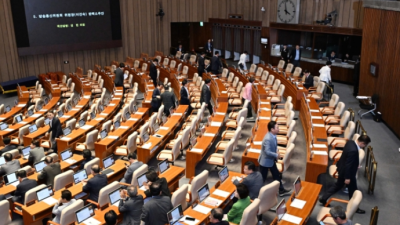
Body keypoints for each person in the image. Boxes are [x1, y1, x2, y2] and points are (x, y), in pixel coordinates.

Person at [319, 135, 371, 214]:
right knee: (352, 190)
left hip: (342, 169)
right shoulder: (353, 150)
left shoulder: (350, 142)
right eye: (365, 145)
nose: (364, 147)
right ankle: (355, 208)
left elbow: (347, 158)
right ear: (362, 143)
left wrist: (355, 164)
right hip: (348, 173)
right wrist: (347, 178)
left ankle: (323, 198)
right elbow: (348, 165)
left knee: (340, 186)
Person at [258, 121, 291, 196]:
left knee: (276, 175)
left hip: (271, 161)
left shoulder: (273, 135)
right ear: (272, 129)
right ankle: (256, 193)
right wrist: (276, 155)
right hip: (265, 162)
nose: (278, 129)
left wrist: (277, 150)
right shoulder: (268, 139)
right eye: (277, 127)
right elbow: (267, 151)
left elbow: (275, 145)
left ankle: (281, 190)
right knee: (262, 179)